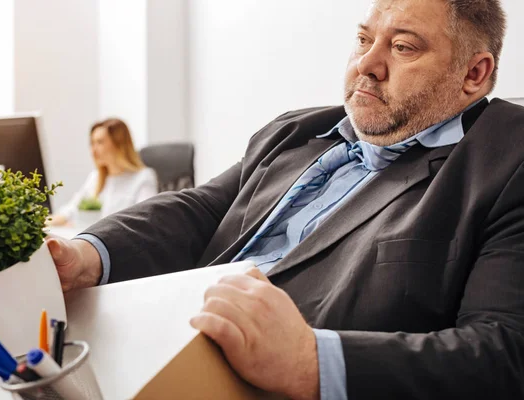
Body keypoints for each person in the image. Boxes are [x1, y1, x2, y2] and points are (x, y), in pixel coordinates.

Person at [46, 0, 524, 398]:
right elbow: (204, 208)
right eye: (363, 40)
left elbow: (503, 351)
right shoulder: (298, 129)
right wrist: (86, 255)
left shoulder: (505, 162)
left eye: (402, 47)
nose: (367, 65)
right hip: (152, 348)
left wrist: (309, 361)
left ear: (475, 74)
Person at [48, 118, 157, 226]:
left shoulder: (143, 177)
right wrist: (41, 223)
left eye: (100, 142)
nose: (93, 150)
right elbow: (70, 211)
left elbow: (145, 221)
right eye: (92, 143)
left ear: (118, 144)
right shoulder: (95, 178)